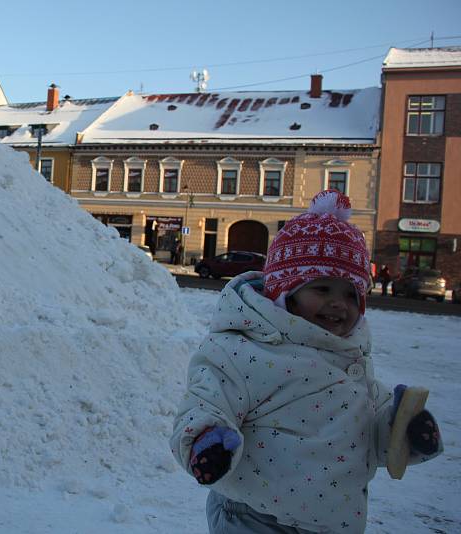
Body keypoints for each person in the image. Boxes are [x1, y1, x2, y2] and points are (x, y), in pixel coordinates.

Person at [170, 190, 443, 533]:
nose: (338, 304)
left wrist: (405, 434)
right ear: (285, 291)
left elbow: (370, 435)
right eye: (322, 289)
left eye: (350, 293)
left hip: (332, 523)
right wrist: (205, 444)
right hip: (254, 516)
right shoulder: (245, 349)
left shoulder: (352, 360)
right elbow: (205, 403)